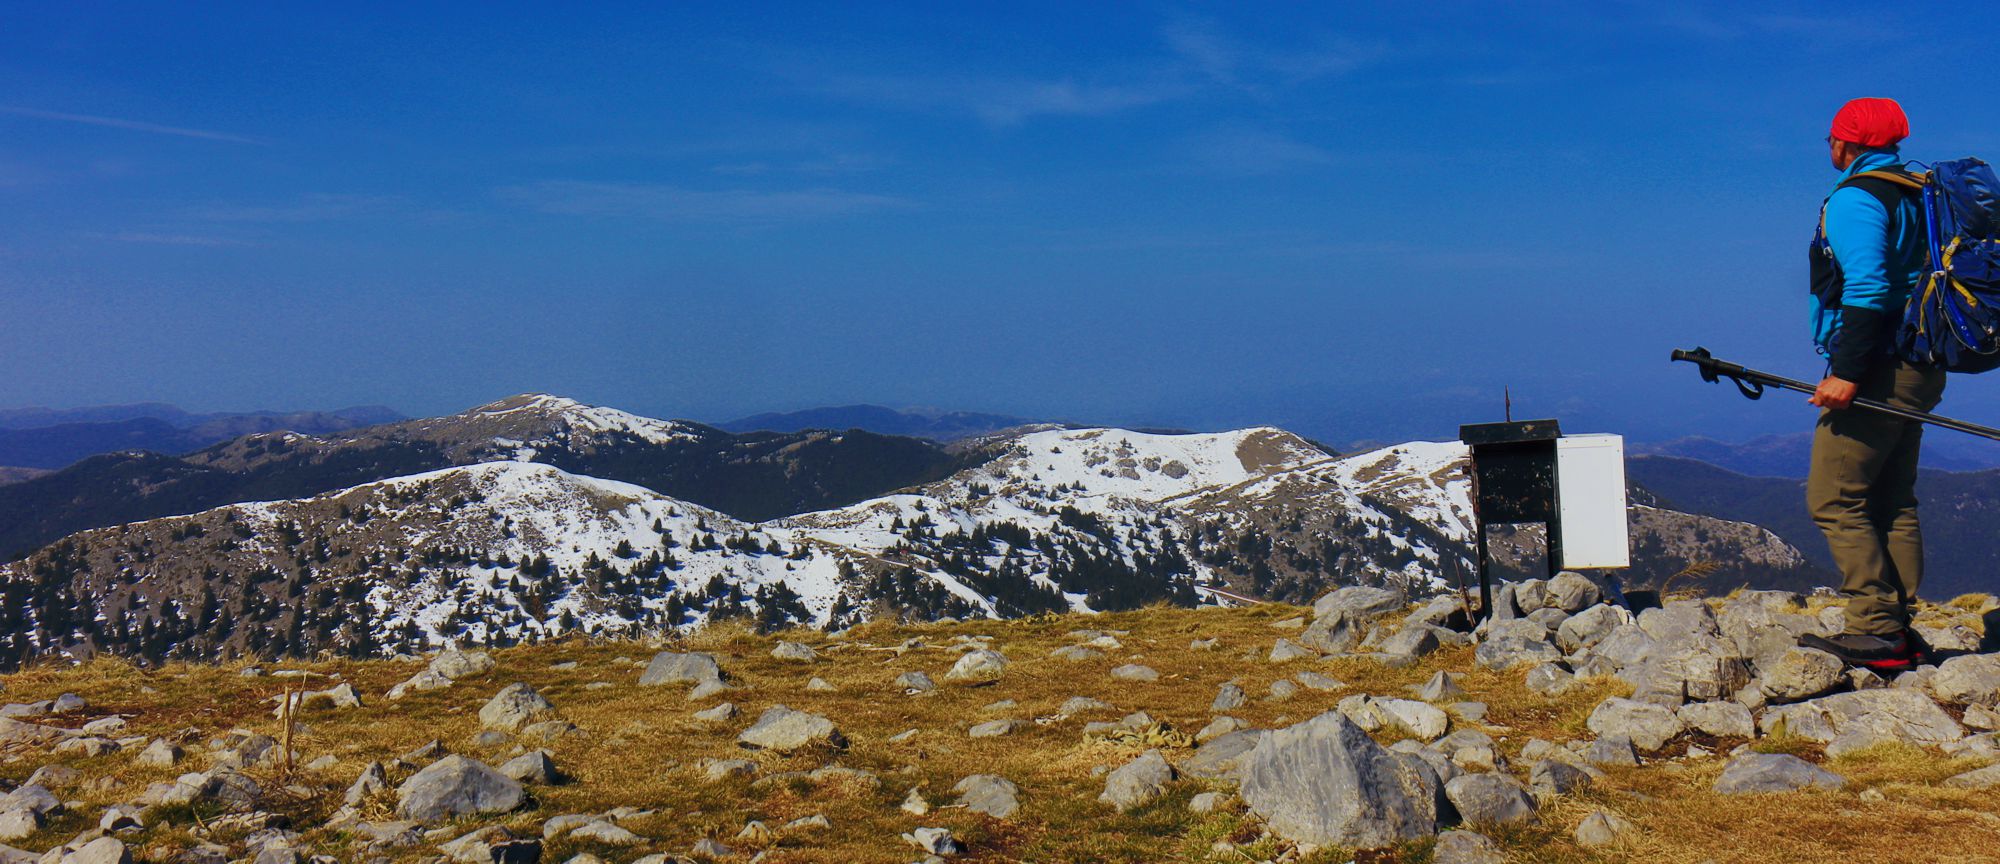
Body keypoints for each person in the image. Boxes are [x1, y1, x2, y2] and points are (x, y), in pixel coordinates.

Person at [1796, 97, 1945, 672]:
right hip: (1923, 362)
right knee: (1891, 496)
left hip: (1879, 366)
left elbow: (1867, 287)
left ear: (1845, 143)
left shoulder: (1858, 197)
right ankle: (1900, 631)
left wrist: (1846, 373)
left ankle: (1877, 632)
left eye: (1830, 137)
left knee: (1834, 497)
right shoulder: (1921, 189)